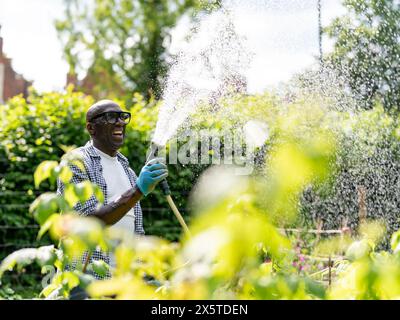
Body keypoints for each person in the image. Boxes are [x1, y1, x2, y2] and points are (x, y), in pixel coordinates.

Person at [57, 99, 168, 280]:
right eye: (110, 117)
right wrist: (138, 190)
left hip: (123, 280)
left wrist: (144, 274)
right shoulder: (76, 162)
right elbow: (90, 221)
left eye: (123, 117)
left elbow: (136, 230)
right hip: (88, 276)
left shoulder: (128, 170)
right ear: (91, 128)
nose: (120, 122)